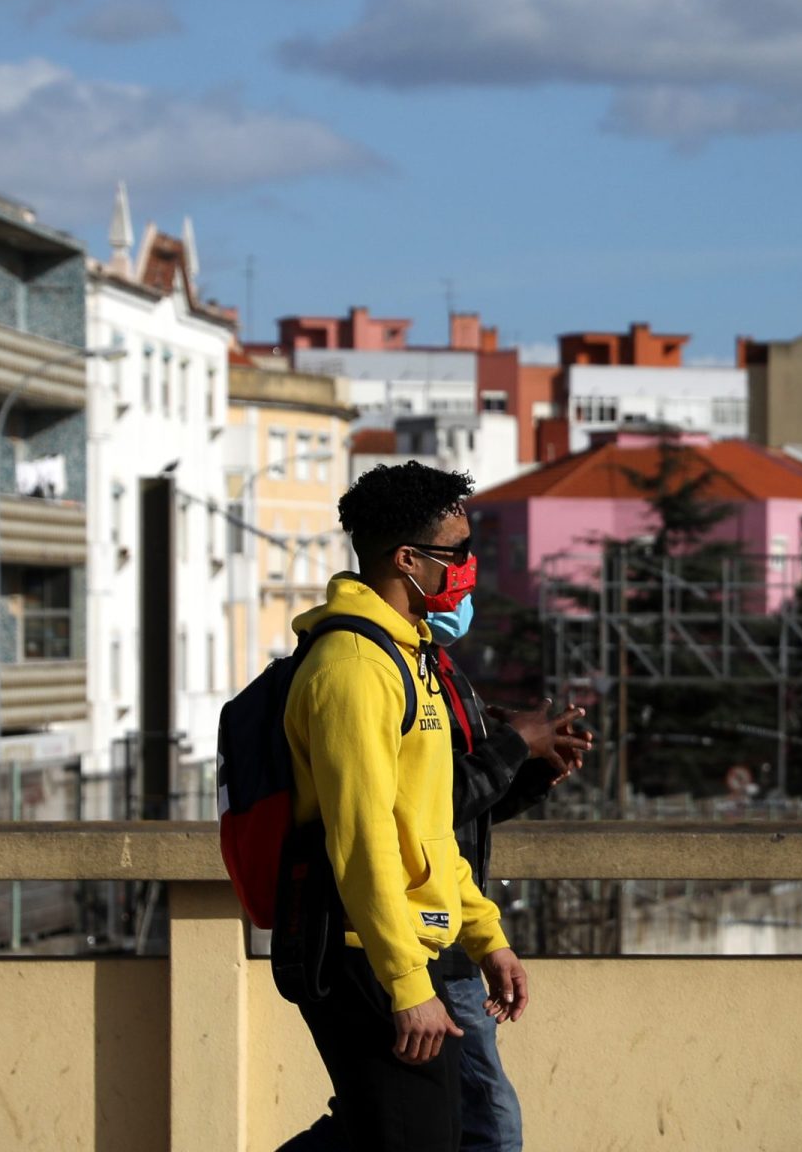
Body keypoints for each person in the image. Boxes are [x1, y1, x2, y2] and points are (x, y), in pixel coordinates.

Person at [278, 462, 532, 1152]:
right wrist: (405, 983)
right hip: (362, 954)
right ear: (407, 560)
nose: (470, 567)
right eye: (457, 553)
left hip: (413, 946)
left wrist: (487, 936)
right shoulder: (352, 669)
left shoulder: (407, 656)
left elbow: (424, 828)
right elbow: (362, 842)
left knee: (395, 1135)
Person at [428, 593, 591, 1152]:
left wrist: (531, 771)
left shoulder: (442, 670)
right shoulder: (387, 671)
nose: (465, 577)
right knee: (491, 1128)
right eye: (456, 554)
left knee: (398, 1122)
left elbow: (457, 816)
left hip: (451, 930)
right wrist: (515, 743)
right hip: (422, 940)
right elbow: (421, 813)